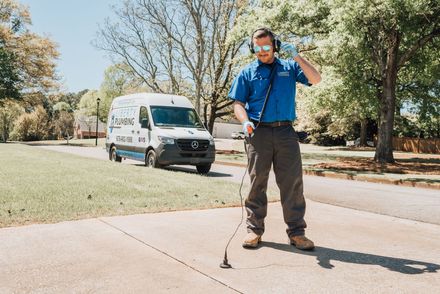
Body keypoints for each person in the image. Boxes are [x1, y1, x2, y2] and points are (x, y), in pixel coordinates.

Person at [228, 27, 321, 250]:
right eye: (257, 47)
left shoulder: (289, 68)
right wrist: (245, 121)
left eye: (267, 46)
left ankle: (297, 233)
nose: (262, 51)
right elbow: (238, 103)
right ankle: (253, 230)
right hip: (258, 133)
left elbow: (316, 79)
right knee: (257, 182)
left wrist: (297, 55)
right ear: (252, 48)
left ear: (275, 46)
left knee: (292, 184)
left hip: (286, 132)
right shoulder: (247, 72)